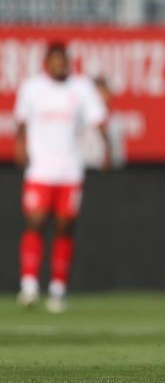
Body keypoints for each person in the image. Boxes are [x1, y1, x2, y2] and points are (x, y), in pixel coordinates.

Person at [14, 42, 109, 312]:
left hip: (70, 170)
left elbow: (98, 119)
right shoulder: (32, 89)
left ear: (68, 61)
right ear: (47, 62)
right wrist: (19, 148)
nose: (59, 64)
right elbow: (21, 124)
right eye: (54, 60)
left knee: (64, 226)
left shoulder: (81, 88)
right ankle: (29, 286)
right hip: (40, 169)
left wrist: (106, 147)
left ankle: (58, 289)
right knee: (35, 221)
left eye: (63, 60)